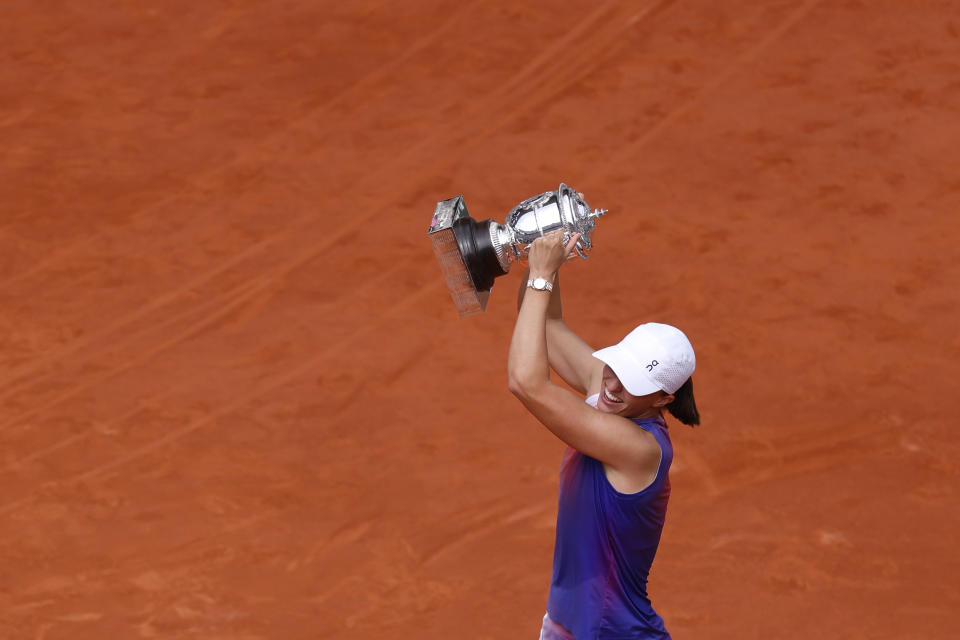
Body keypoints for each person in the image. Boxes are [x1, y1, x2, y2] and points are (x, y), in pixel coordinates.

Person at [508, 231, 700, 640]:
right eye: (616, 367)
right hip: (571, 627)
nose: (612, 385)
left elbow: (527, 383)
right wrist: (543, 255)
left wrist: (542, 273)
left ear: (663, 399)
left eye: (630, 381)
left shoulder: (639, 449)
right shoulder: (616, 394)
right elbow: (543, 322)